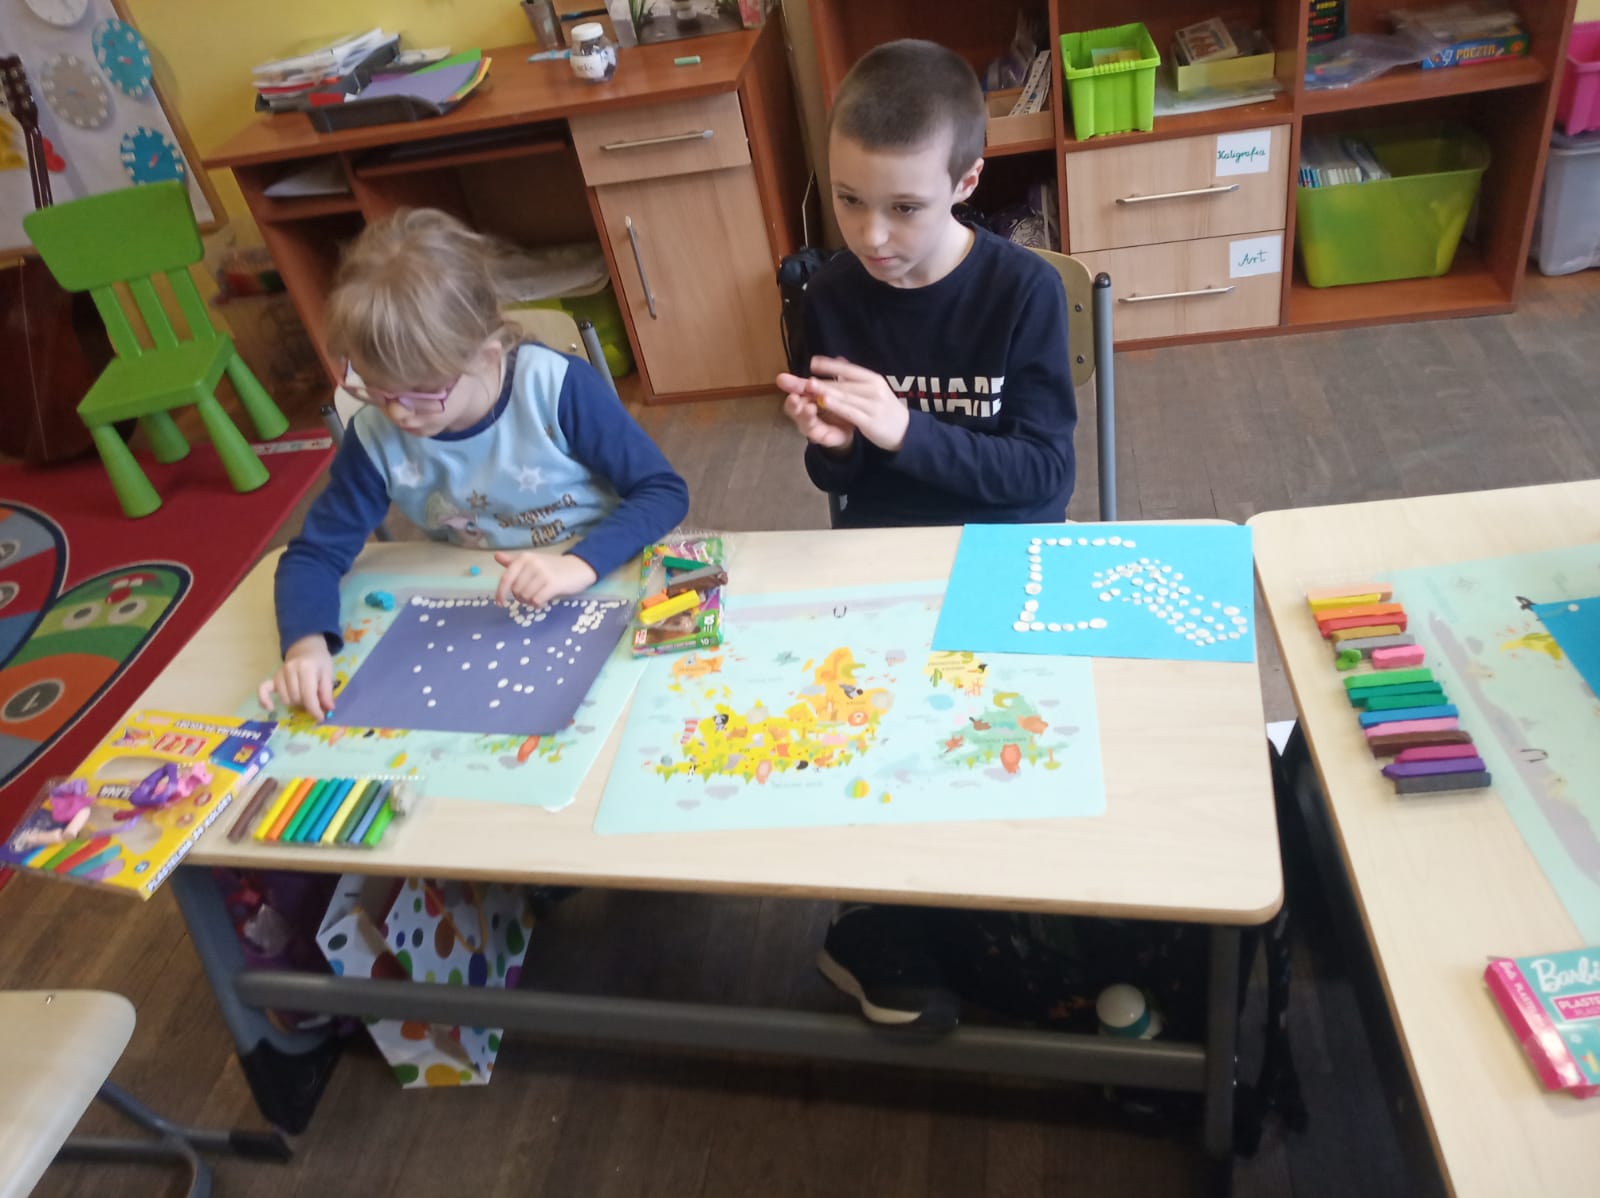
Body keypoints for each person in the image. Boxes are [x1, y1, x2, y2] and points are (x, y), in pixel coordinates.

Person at [777, 40, 1079, 1032]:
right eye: (848, 200)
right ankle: (887, 921)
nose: (872, 236)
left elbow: (1043, 476)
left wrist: (906, 431)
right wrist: (834, 447)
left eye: (904, 207)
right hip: (881, 565)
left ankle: (979, 914)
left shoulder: (1022, 292)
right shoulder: (828, 297)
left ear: (967, 182)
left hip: (1005, 559)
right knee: (847, 741)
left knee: (1012, 758)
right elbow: (843, 485)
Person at [260, 208, 688, 718]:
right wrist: (305, 645)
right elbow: (313, 554)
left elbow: (663, 492)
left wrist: (577, 565)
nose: (398, 413)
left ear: (487, 356)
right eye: (375, 390)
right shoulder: (376, 435)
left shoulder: (555, 387)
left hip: (603, 570)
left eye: (421, 393)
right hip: (486, 598)